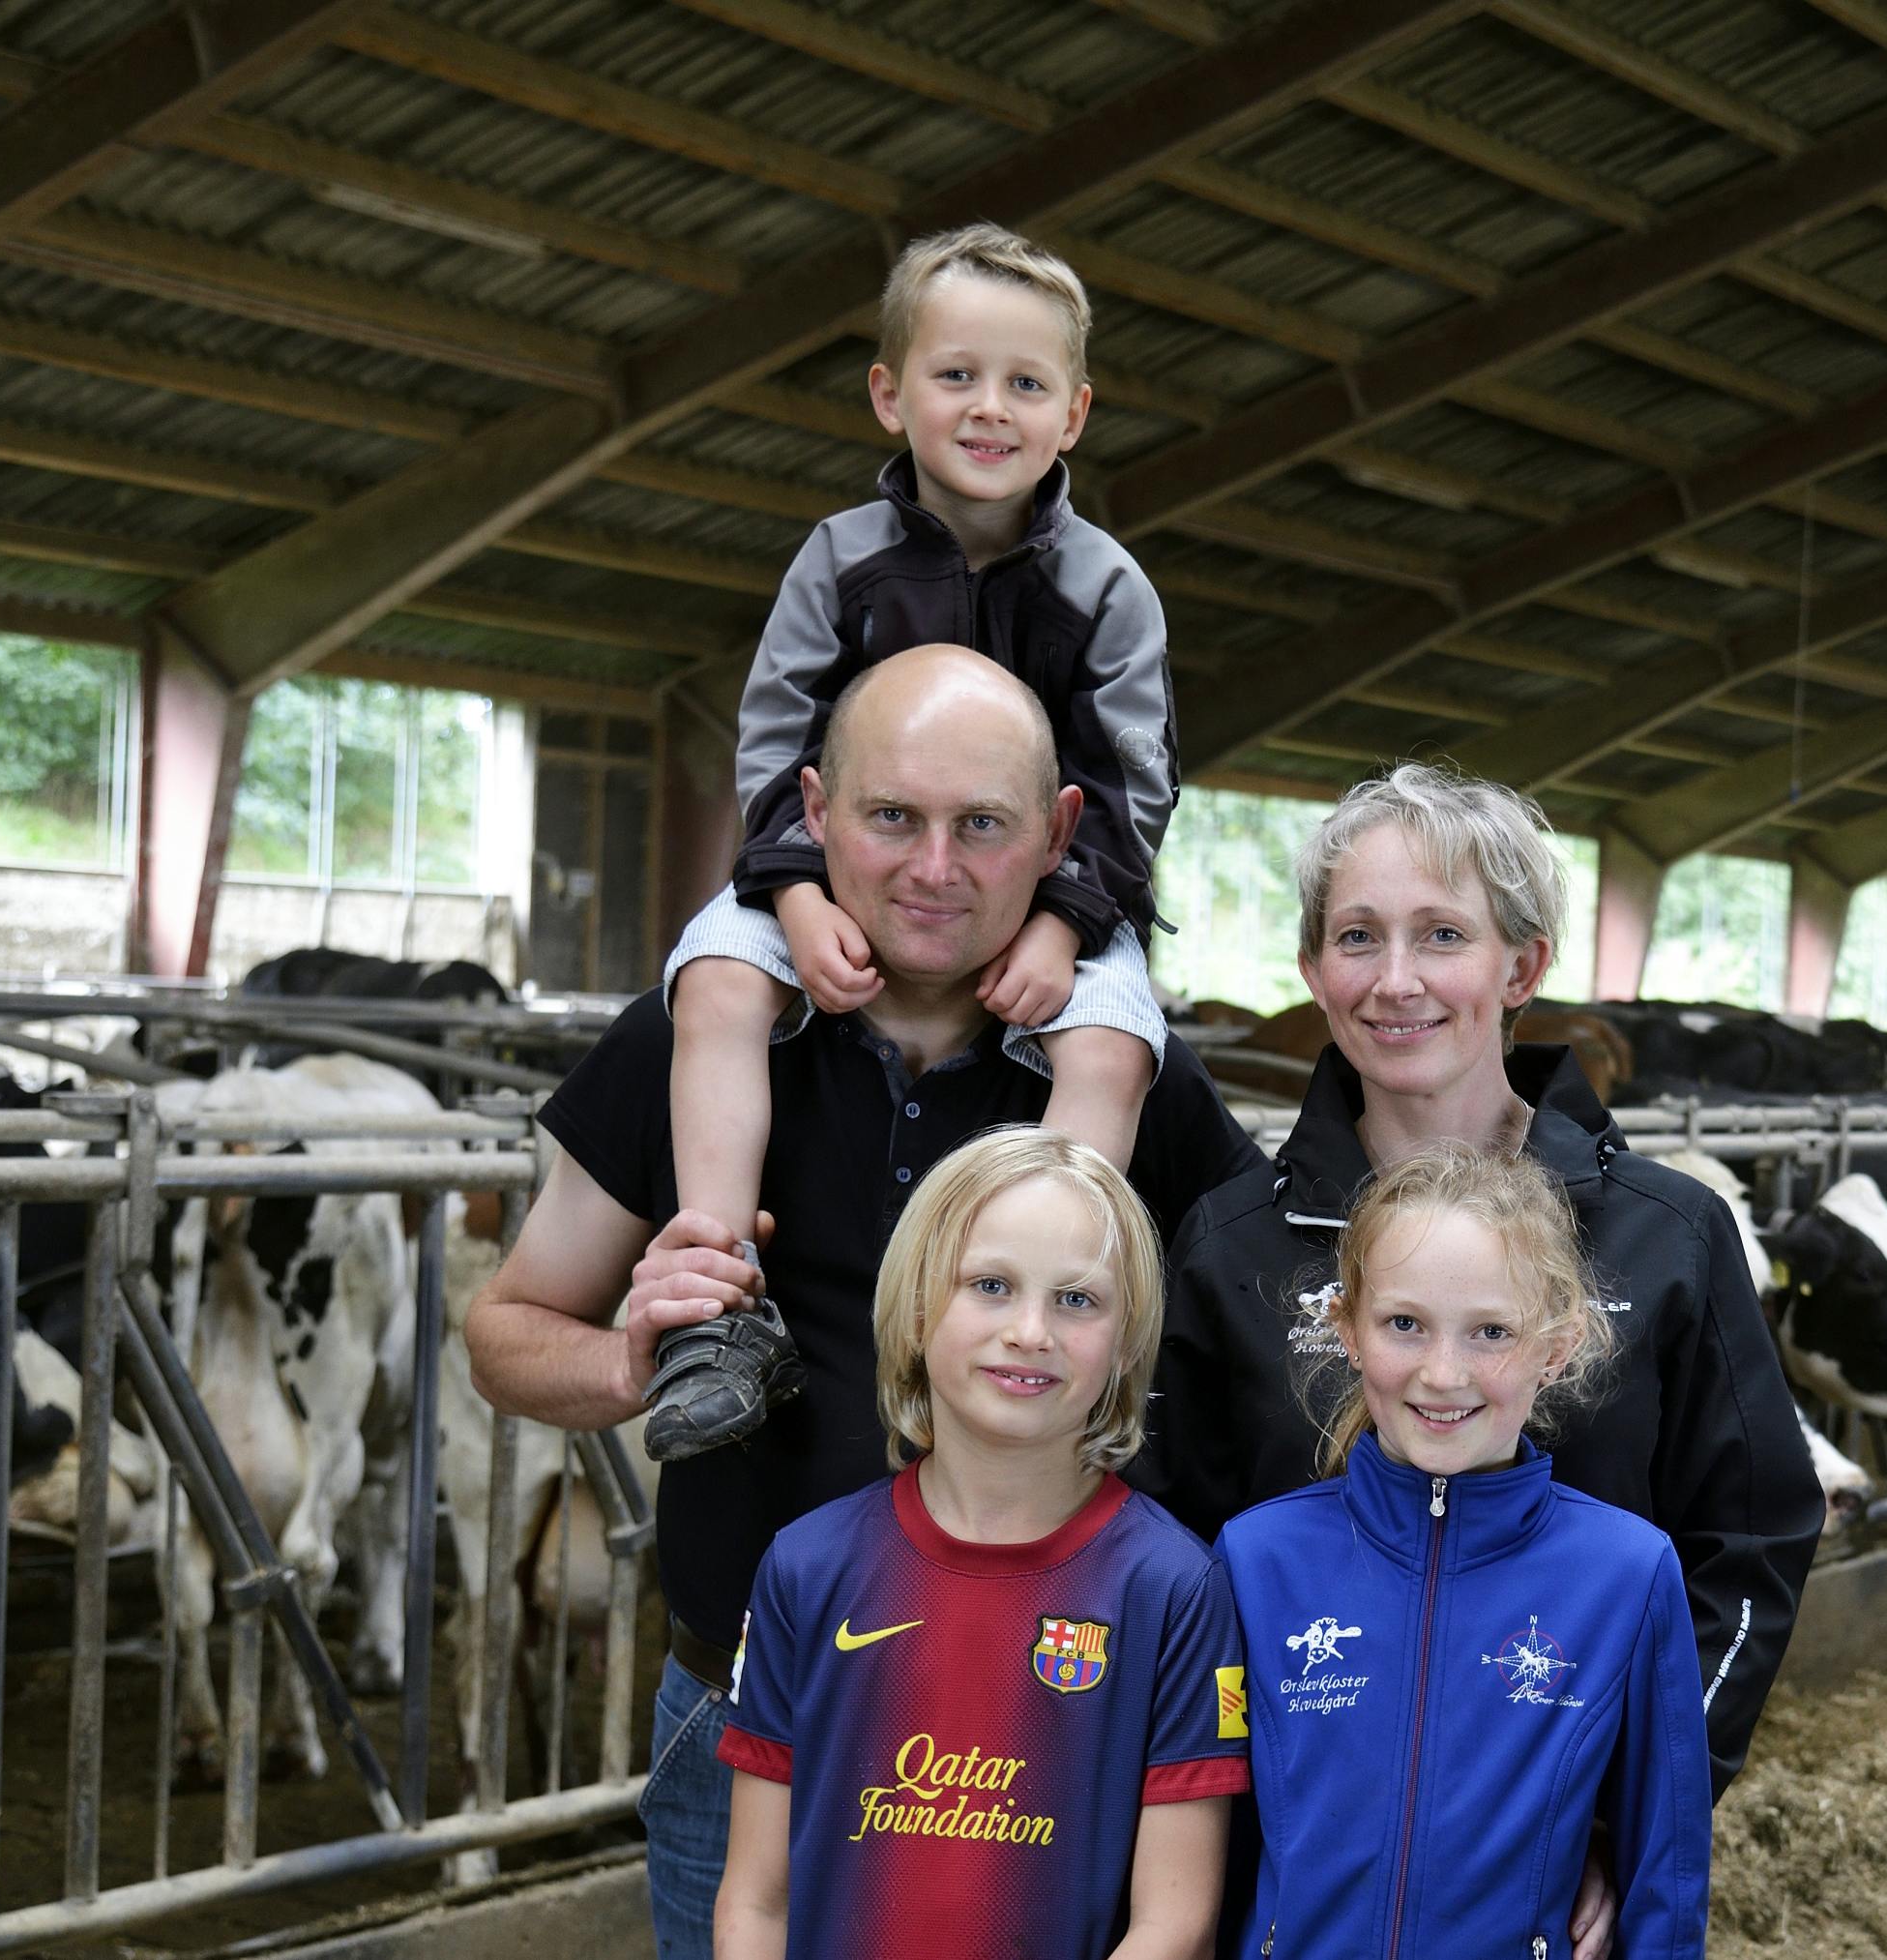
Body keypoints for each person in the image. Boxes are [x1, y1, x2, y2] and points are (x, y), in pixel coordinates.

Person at [464, 645, 1261, 1960]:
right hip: (749, 1712)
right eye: (891, 816)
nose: (933, 868)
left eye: (982, 826)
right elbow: (505, 1330)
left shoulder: (1126, 1082)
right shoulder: (689, 1041)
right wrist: (630, 1361)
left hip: (1055, 1730)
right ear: (814, 812)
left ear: (1061, 833)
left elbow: (1256, 1348)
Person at [1135, 762, 1819, 1956]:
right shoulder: (1230, 1243)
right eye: (1357, 936)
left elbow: (1750, 1544)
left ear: (1522, 968)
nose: (1394, 980)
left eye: (1441, 934)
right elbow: (1173, 1564)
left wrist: (1631, 1812)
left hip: (1550, 1889)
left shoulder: (1667, 1233)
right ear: (1311, 971)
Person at [648, 220, 1176, 1465]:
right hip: (830, 883)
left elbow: (1129, 784)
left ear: (1074, 414)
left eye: (1026, 383)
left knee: (1106, 1047)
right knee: (714, 982)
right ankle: (718, 1306)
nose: (989, 408)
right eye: (956, 376)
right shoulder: (838, 561)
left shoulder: (1108, 591)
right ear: (890, 394)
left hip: (1051, 902)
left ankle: (1050, 1324)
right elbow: (775, 741)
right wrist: (786, 896)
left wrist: (1063, 921)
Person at [714, 1128, 1242, 1960]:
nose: (1031, 1330)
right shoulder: (806, 1568)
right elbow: (755, 1903)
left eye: (1078, 1300)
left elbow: (1174, 1928)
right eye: (990, 1285)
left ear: (1128, 1339)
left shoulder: (1173, 1588)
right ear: (920, 1309)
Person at [1215, 1143, 1707, 1959]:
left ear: (1557, 1346)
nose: (1444, 1374)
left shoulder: (1627, 1574)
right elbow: (1210, 1847)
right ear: (1346, 1330)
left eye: (1491, 1333)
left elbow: (1667, 1871)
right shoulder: (1257, 1559)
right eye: (1404, 1324)